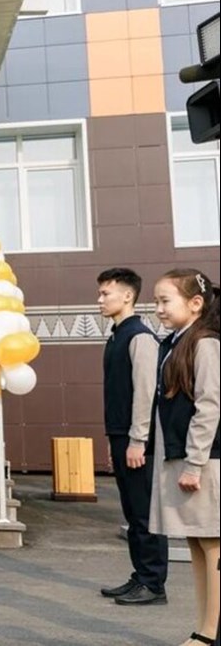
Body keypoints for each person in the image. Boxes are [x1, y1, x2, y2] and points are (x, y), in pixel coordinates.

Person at [149, 269, 220, 645]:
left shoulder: (205, 343)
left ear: (195, 304)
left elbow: (209, 406)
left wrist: (194, 463)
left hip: (206, 461)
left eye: (165, 300)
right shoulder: (176, 342)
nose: (158, 308)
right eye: (157, 300)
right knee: (197, 542)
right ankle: (204, 628)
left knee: (212, 544)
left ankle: (209, 633)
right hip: (188, 458)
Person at [95, 268, 169, 605]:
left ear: (127, 296)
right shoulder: (115, 336)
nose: (99, 299)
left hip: (138, 440)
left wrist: (138, 440)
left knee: (144, 513)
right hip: (121, 436)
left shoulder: (139, 336)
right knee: (131, 512)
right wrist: (115, 442)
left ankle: (154, 584)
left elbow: (145, 393)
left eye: (105, 293)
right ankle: (140, 575)